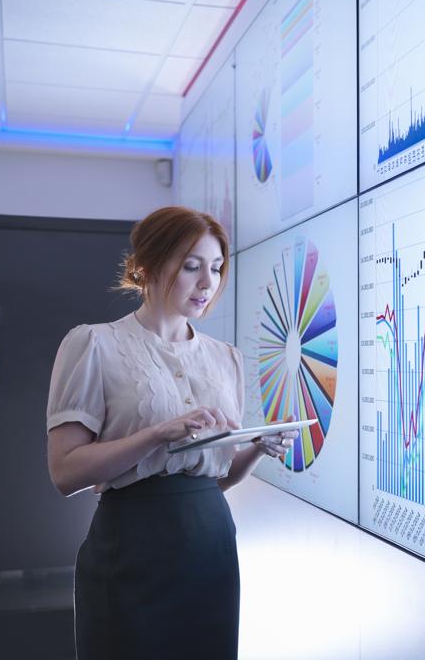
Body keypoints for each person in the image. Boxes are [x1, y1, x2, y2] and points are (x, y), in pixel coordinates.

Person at [45, 206, 296, 659]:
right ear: (147, 266)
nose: (208, 283)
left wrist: (257, 448)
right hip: (132, 546)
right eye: (191, 266)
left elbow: (214, 475)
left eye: (217, 268)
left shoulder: (226, 359)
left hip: (210, 543)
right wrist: (158, 434)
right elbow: (65, 473)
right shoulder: (94, 344)